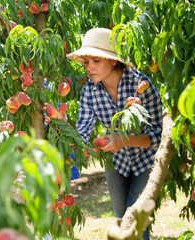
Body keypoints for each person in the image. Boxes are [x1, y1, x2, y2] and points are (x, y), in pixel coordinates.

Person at [44, 28, 163, 240]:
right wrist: (62, 124)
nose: (88, 68)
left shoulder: (141, 85)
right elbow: (81, 133)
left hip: (146, 160)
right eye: (86, 62)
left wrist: (124, 141)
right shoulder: (90, 90)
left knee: (135, 220)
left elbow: (159, 135)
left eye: (95, 61)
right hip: (116, 161)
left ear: (113, 61)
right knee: (121, 218)